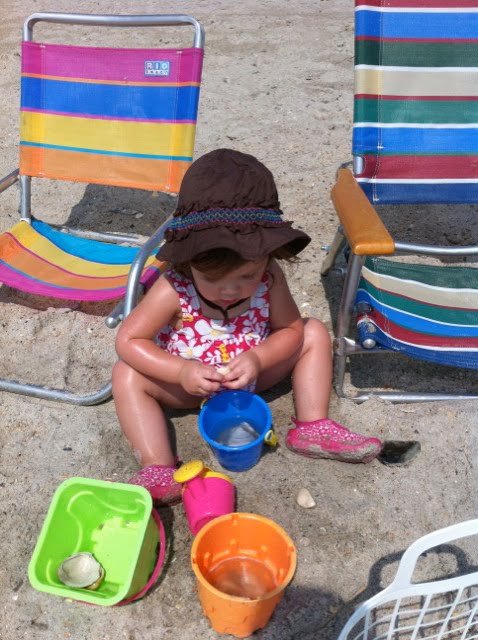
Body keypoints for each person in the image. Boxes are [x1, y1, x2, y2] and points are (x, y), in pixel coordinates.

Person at [112, 149, 382, 505]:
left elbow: (290, 331)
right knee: (126, 375)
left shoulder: (270, 276)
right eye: (212, 278)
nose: (230, 290)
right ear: (189, 261)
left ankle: (312, 425)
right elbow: (129, 340)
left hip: (253, 374)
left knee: (313, 331)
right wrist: (180, 372)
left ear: (267, 257)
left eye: (247, 275)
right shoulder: (173, 287)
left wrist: (257, 359)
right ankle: (158, 466)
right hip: (189, 385)